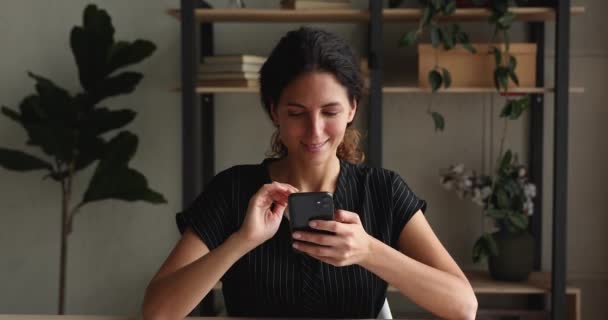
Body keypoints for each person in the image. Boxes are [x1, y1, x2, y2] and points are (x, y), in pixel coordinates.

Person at [142, 27, 477, 320]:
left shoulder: (382, 190)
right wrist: (241, 242)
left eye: (330, 111)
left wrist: (369, 251)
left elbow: (463, 306)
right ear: (274, 111)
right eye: (296, 113)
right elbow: (157, 312)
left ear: (352, 109)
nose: (315, 131)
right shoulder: (234, 189)